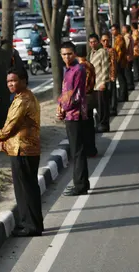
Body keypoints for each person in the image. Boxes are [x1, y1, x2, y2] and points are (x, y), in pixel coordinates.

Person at [0, 69, 44, 236]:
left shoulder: (23, 100)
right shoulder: (23, 97)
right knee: (27, 187)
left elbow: (11, 125)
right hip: (24, 148)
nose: (10, 84)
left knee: (25, 188)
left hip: (22, 149)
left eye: (14, 80)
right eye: (8, 81)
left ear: (24, 80)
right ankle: (30, 223)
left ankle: (30, 226)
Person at [57, 41, 90, 196]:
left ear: (75, 53)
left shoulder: (78, 70)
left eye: (69, 53)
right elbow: (65, 92)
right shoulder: (68, 70)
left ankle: (80, 185)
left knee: (77, 151)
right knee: (76, 150)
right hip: (70, 114)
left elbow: (75, 96)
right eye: (63, 54)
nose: (66, 57)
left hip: (76, 115)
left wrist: (63, 108)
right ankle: (81, 182)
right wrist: (60, 106)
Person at [76, 45, 98, 157]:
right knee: (89, 124)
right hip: (91, 97)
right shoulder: (90, 65)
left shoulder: (80, 68)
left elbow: (82, 86)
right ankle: (92, 148)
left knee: (84, 126)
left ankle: (88, 149)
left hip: (84, 99)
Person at [89, 33, 111, 133]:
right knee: (97, 105)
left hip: (101, 83)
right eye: (91, 42)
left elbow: (106, 67)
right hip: (94, 84)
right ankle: (99, 123)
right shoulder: (92, 53)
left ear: (98, 42)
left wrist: (104, 82)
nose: (93, 44)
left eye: (94, 42)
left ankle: (104, 124)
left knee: (103, 105)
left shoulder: (103, 52)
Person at [101, 33, 118, 116]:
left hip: (111, 74)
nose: (105, 42)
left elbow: (113, 64)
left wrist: (113, 75)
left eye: (107, 40)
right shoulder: (100, 51)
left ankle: (113, 108)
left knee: (112, 92)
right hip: (103, 77)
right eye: (103, 40)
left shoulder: (112, 50)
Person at [112, 24, 129, 102]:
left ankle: (123, 96)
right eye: (112, 30)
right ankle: (124, 95)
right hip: (120, 61)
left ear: (117, 30)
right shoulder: (116, 38)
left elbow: (119, 52)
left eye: (114, 30)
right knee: (122, 78)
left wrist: (116, 61)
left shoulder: (119, 38)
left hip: (120, 62)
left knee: (121, 78)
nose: (112, 31)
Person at [122, 25, 135, 91]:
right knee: (129, 70)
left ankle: (130, 85)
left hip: (127, 57)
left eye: (123, 28)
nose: (122, 29)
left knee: (127, 71)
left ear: (125, 29)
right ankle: (131, 84)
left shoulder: (126, 37)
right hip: (130, 56)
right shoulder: (130, 36)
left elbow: (126, 47)